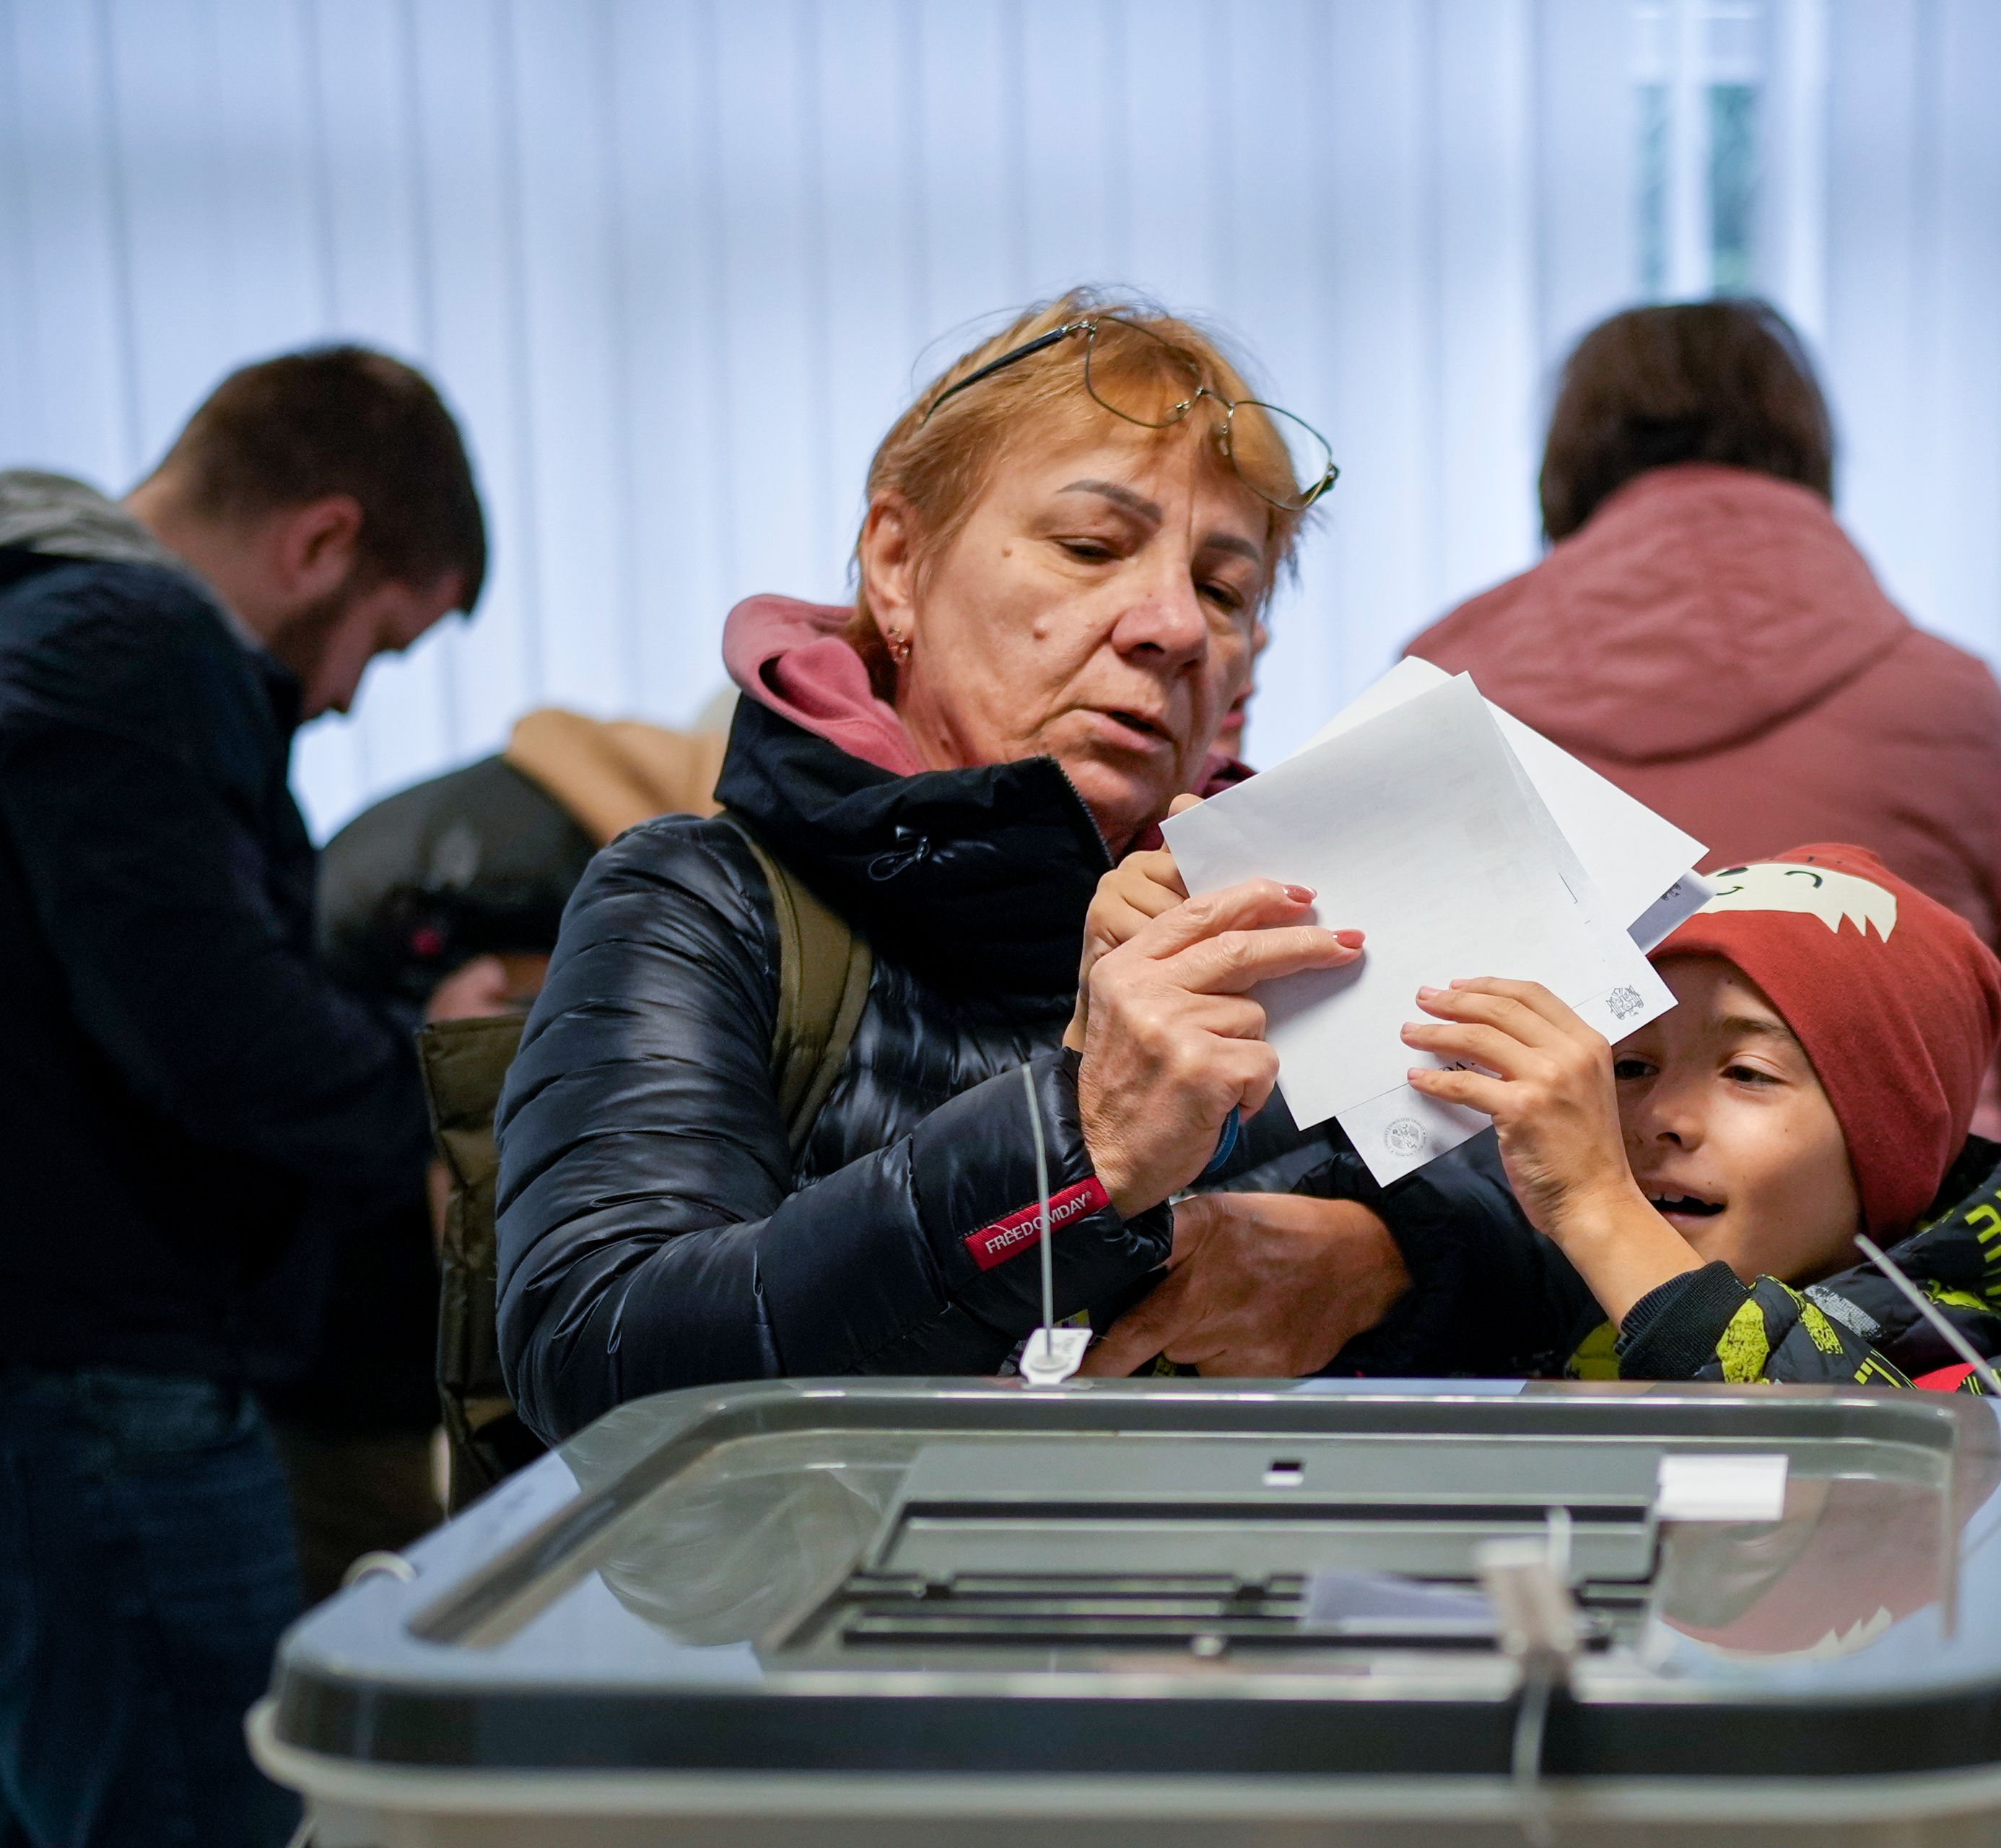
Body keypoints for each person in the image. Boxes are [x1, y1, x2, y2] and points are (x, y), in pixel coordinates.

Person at [493, 292, 1514, 1439]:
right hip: (837, 1616)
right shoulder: (697, 901)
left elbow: (1573, 1223)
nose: (1173, 626)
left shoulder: (1310, 913)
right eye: (1092, 546)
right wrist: (1080, 1148)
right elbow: (597, 1362)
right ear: (897, 564)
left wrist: (1387, 1262)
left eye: (1224, 590)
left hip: (1252, 1608)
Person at [0, 346, 486, 1847]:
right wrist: (448, 1077)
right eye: (382, 647)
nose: (340, 701)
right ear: (323, 540)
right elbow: (222, 1034)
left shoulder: (34, 608)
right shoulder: (130, 639)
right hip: (115, 1375)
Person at [1406, 300, 2001, 1191]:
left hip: (1538, 1268)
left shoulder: (1443, 690)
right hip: (1893, 1281)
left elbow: (1405, 1068)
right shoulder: (1948, 697)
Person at [1395, 845, 2001, 1538]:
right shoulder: (1551, 1308)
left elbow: (1896, 1530)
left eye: (1747, 1072)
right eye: (1626, 1068)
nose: (1661, 1120)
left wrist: (1601, 1209)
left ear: (1892, 1150)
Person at [269, 705, 732, 1594]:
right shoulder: (551, 879)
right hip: (349, 1355)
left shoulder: (507, 816)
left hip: (312, 1313)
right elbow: (484, 1156)